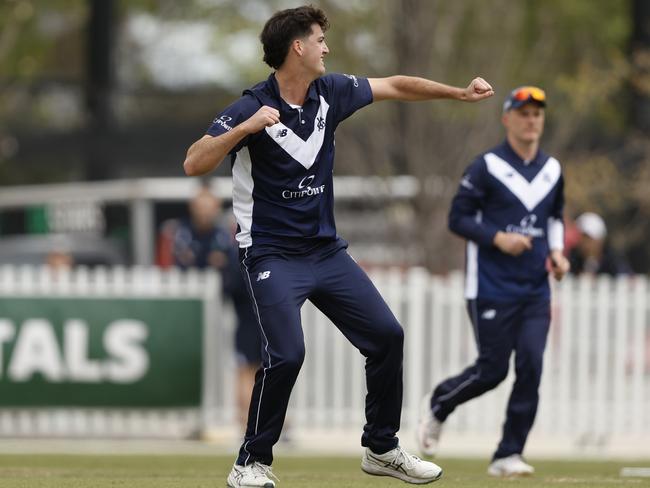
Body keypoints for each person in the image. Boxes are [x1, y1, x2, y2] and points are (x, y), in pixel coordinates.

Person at [183, 6, 494, 487]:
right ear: (297, 48)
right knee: (286, 355)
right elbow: (193, 162)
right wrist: (244, 130)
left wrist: (457, 93)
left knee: (387, 336)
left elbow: (396, 85)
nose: (327, 47)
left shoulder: (333, 92)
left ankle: (381, 448)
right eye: (319, 39)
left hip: (325, 253)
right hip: (270, 254)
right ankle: (250, 464)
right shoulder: (250, 105)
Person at [417, 86, 570, 477]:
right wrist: (498, 238)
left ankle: (508, 453)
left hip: (535, 286)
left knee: (532, 365)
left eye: (537, 113)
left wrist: (556, 253)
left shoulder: (552, 170)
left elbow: (553, 218)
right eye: (523, 113)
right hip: (490, 285)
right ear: (507, 119)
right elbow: (458, 219)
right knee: (493, 370)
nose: (531, 119)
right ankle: (439, 403)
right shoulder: (486, 166)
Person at [172, 186, 262, 433]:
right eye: (201, 207)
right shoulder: (184, 233)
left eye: (209, 207)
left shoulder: (225, 235)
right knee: (244, 365)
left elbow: (225, 265)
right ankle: (240, 420)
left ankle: (249, 421)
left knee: (254, 364)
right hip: (203, 311)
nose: (205, 213)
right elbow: (185, 264)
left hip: (243, 305)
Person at [568, 212, 631, 276]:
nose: (583, 242)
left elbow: (625, 277)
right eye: (581, 237)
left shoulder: (614, 260)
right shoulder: (573, 258)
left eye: (587, 237)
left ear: (600, 240)